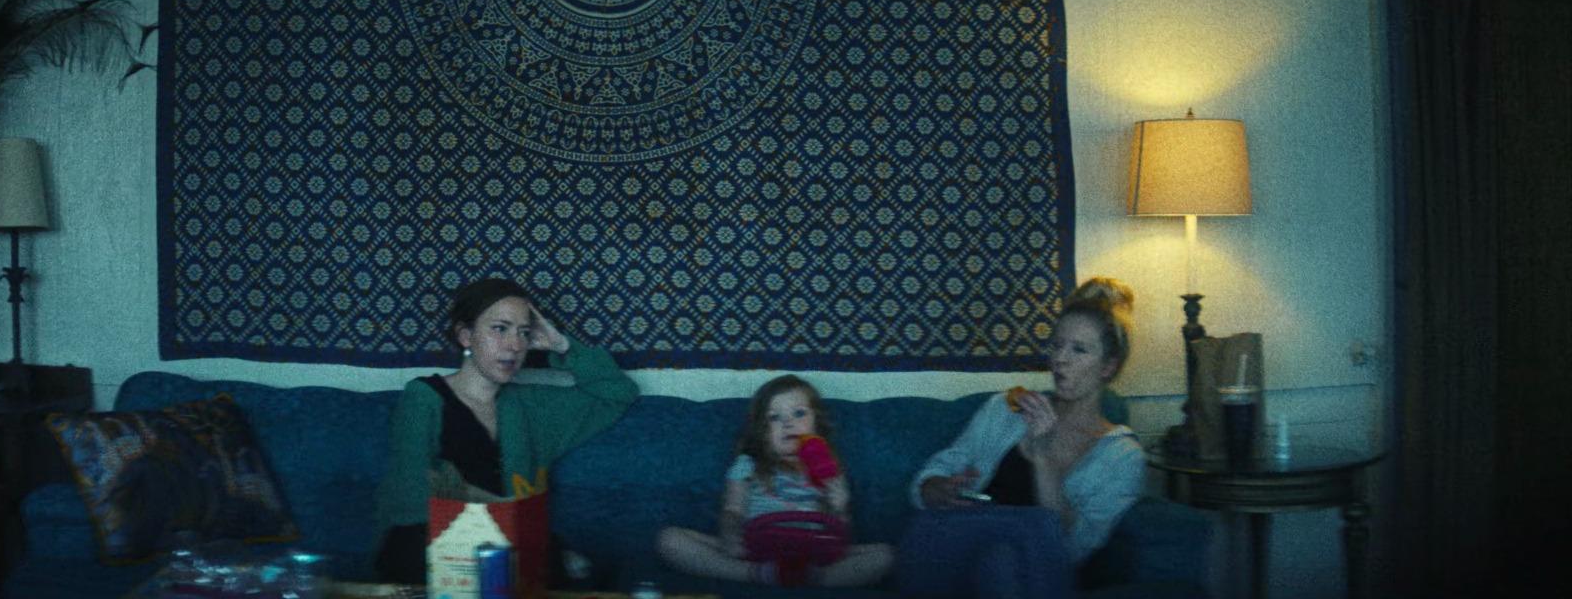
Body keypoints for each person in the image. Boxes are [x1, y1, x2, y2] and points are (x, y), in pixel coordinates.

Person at [372, 277, 638, 583]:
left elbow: (617, 392)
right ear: (466, 335)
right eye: (500, 329)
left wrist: (561, 346)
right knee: (409, 546)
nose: (515, 346)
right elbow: (408, 500)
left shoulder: (531, 407)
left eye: (524, 333)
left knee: (565, 563)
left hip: (512, 551)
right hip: (434, 544)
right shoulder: (423, 397)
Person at [900, 277, 1145, 599]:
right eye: (1056, 345)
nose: (1060, 359)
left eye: (1079, 350)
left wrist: (1042, 458)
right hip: (961, 554)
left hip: (1035, 575)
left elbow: (1073, 548)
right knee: (926, 532)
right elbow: (935, 473)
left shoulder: (1123, 456)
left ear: (1108, 367)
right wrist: (935, 489)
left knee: (1006, 556)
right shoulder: (1005, 409)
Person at [656, 375, 895, 588]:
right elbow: (732, 510)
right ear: (762, 431)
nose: (788, 423)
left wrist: (840, 507)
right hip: (757, 548)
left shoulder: (830, 470)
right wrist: (730, 536)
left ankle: (815, 578)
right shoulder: (747, 464)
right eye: (774, 417)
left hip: (814, 551)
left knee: (885, 555)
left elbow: (840, 533)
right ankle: (754, 574)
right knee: (670, 540)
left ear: (817, 422)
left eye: (799, 413)